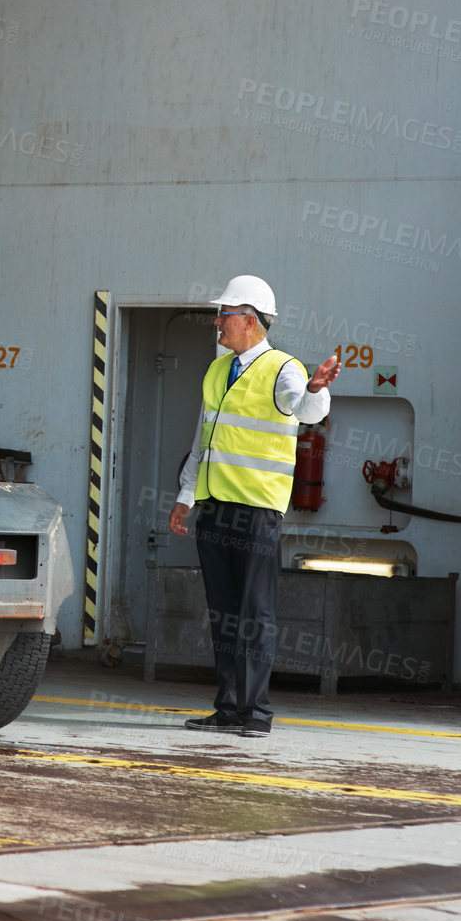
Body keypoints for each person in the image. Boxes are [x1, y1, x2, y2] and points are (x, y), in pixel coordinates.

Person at [168, 275, 340, 737]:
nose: (217, 322)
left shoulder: (283, 368)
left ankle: (256, 713)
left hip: (256, 512)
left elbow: (303, 410)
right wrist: (186, 497)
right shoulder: (215, 369)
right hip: (213, 507)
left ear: (250, 320)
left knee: (254, 614)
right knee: (223, 613)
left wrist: (317, 389)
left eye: (224, 314)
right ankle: (227, 708)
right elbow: (201, 438)